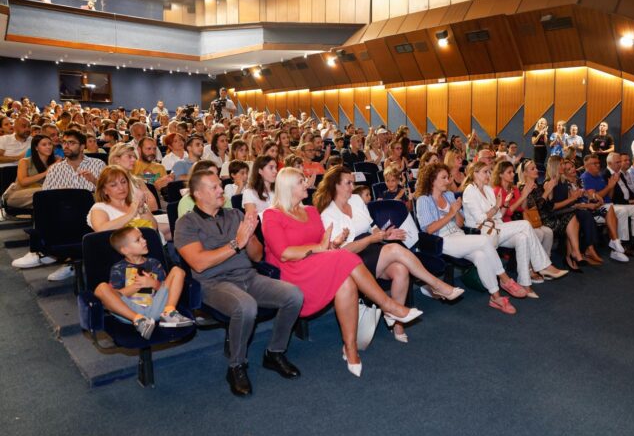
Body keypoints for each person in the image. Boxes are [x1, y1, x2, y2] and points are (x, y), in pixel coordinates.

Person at [262, 168, 422, 377]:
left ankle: (350, 347)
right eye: (301, 181)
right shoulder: (272, 215)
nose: (307, 184)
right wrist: (321, 248)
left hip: (315, 264)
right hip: (292, 270)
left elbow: (324, 245)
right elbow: (284, 254)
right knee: (345, 257)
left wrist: (334, 243)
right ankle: (389, 305)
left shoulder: (310, 211)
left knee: (346, 282)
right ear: (288, 187)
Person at [175, 170, 304, 396]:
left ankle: (274, 352)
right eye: (214, 187)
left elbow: (256, 256)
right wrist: (236, 243)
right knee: (246, 306)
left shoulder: (235, 214)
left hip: (248, 276)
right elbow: (199, 263)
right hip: (213, 283)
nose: (221, 190)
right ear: (198, 194)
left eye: (220, 185)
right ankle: (236, 365)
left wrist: (250, 237)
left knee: (293, 295)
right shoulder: (186, 223)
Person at [315, 166, 463, 342]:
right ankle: (436, 285)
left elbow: (372, 227)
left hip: (373, 250)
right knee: (394, 249)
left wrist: (385, 235)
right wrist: (372, 239)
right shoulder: (328, 213)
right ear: (336, 185)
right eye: (348, 183)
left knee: (401, 269)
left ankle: (398, 323)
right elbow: (342, 251)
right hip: (352, 261)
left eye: (353, 182)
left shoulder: (355, 199)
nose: (352, 187)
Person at [416, 163, 530, 314]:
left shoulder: (449, 196)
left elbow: (460, 223)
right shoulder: (423, 200)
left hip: (458, 236)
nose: (448, 181)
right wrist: (451, 213)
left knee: (481, 256)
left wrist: (456, 212)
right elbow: (429, 229)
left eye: (448, 177)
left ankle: (496, 297)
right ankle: (505, 279)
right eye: (443, 178)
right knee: (484, 240)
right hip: (441, 241)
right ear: (432, 180)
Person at [462, 161, 567, 298]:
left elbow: (499, 215)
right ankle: (544, 266)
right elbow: (480, 219)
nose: (488, 174)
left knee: (523, 238)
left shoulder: (487, 189)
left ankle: (525, 284)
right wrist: (497, 206)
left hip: (496, 229)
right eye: (485, 172)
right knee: (525, 224)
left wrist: (504, 204)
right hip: (482, 234)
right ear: (475, 174)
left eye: (489, 171)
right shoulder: (469, 191)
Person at [93, 227, 193, 339]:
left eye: (142, 237)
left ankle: (169, 313)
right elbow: (115, 296)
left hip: (156, 306)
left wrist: (153, 283)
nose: (144, 240)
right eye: (138, 240)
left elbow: (166, 289)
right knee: (101, 288)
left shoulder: (154, 263)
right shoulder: (118, 268)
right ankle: (139, 321)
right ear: (125, 250)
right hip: (129, 312)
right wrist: (136, 286)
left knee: (177, 270)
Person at [580, 155, 632, 262]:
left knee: (622, 212)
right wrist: (609, 187)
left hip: (607, 205)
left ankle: (617, 248)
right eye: (594, 163)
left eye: (598, 163)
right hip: (596, 207)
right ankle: (616, 242)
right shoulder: (585, 177)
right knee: (614, 209)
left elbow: (609, 196)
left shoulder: (599, 176)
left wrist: (612, 186)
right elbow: (594, 198)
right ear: (586, 166)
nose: (598, 165)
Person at [87, 166, 158, 233]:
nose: (121, 187)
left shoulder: (136, 202)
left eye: (123, 182)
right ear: (104, 190)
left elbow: (154, 228)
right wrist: (130, 214)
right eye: (113, 185)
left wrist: (141, 207)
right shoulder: (99, 208)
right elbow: (101, 230)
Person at [3, 134, 58, 209]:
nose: (48, 147)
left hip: (41, 195)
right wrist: (46, 172)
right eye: (44, 145)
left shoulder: (55, 161)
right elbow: (23, 182)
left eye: (50, 144)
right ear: (36, 147)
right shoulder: (24, 162)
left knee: (53, 195)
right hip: (17, 195)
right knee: (49, 191)